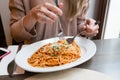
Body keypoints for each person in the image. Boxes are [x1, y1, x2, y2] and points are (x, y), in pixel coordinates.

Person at [9, 0, 99, 44]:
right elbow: (16, 35)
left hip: (73, 56)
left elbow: (78, 23)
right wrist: (32, 16)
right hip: (37, 60)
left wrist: (86, 28)